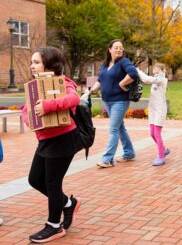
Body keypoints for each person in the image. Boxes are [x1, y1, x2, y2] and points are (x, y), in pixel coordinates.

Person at [22, 47, 83, 242]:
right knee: (34, 179)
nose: (32, 66)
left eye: (37, 62)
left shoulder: (63, 82)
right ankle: (67, 203)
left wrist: (47, 106)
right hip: (45, 140)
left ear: (50, 64)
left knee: (52, 183)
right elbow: (27, 110)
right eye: (32, 62)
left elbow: (74, 99)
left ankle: (54, 226)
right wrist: (29, 118)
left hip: (63, 139)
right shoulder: (35, 86)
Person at [89, 40, 139, 168]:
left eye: (121, 48)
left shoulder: (124, 62)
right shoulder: (105, 65)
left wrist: (122, 83)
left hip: (120, 101)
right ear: (109, 49)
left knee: (113, 129)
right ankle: (129, 153)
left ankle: (107, 159)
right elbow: (100, 80)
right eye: (116, 48)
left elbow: (133, 73)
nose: (119, 50)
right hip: (108, 101)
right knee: (120, 127)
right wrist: (92, 90)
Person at [137, 63, 170, 166]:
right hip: (152, 109)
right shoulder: (155, 79)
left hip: (160, 109)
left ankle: (161, 157)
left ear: (162, 70)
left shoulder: (162, 80)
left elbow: (146, 79)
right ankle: (164, 149)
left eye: (157, 69)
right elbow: (149, 80)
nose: (155, 70)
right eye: (154, 69)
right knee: (152, 133)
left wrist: (137, 70)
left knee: (157, 133)